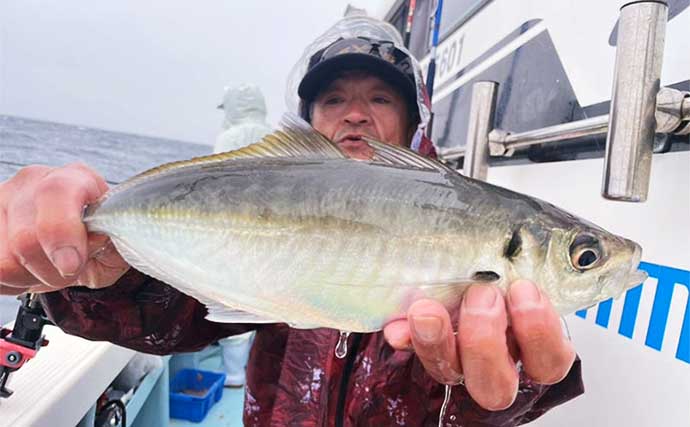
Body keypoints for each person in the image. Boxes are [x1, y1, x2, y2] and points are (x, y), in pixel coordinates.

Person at [0, 16, 583, 426]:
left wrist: (507, 387)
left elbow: (489, 403)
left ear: (413, 121)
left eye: (381, 98)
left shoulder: (472, 212)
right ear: (306, 121)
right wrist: (89, 269)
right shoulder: (261, 192)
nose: (355, 112)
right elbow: (167, 322)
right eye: (333, 100)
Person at [214, 83, 273, 387]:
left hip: (233, 233)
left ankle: (234, 375)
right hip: (272, 234)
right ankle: (251, 367)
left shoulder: (229, 137)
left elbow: (215, 184)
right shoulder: (274, 135)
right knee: (262, 305)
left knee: (233, 303)